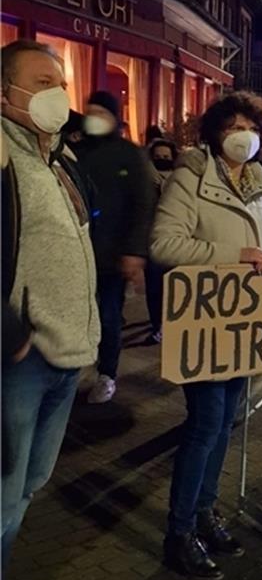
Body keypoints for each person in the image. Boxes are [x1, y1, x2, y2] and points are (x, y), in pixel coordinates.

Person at [1, 41, 100, 580]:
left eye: (60, 81)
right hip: (20, 359)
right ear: (5, 92)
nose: (57, 93)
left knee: (21, 496)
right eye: (42, 81)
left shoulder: (56, 159)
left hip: (64, 356)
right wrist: (13, 330)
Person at [150, 91, 262, 580]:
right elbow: (164, 244)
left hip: (242, 323)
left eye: (251, 127)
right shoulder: (189, 178)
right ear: (213, 132)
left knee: (225, 423)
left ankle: (206, 513)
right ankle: (178, 533)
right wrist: (238, 254)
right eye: (232, 126)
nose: (241, 135)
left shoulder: (259, 183)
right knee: (204, 425)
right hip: (204, 323)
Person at [73, 91, 155, 403]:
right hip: (78, 253)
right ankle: (78, 363)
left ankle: (107, 372)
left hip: (111, 255)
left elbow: (142, 204)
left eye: (101, 113)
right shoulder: (75, 150)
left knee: (109, 315)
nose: (94, 118)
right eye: (89, 111)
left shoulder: (129, 155)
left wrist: (134, 250)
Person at [144, 138, 178, 343]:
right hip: (153, 241)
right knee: (155, 289)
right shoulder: (146, 181)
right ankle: (157, 325)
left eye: (166, 157)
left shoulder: (179, 182)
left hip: (175, 242)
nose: (162, 160)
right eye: (158, 158)